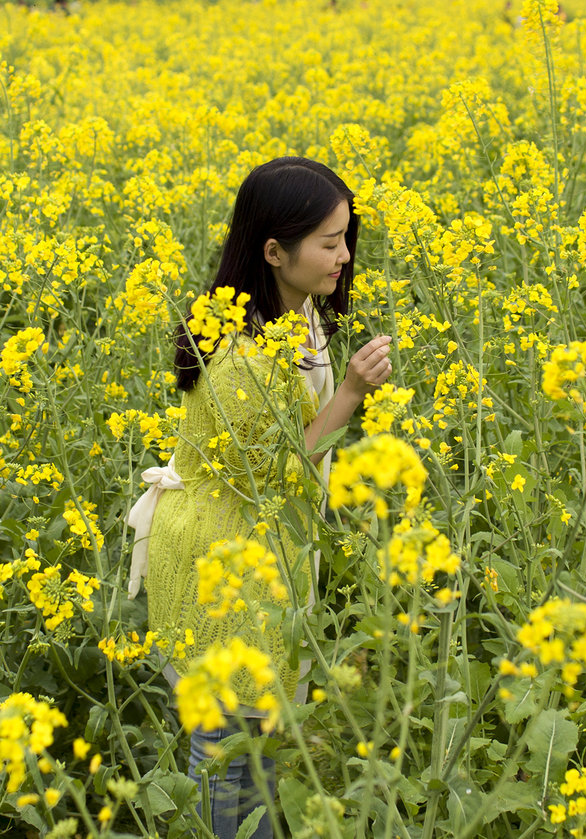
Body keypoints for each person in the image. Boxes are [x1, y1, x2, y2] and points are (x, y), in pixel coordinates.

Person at [132, 157, 392, 839]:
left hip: (263, 548)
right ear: (274, 251)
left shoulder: (291, 311)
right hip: (223, 558)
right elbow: (268, 471)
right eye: (329, 243)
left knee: (261, 740)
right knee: (225, 750)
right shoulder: (243, 351)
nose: (344, 256)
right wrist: (352, 394)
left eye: (346, 238)